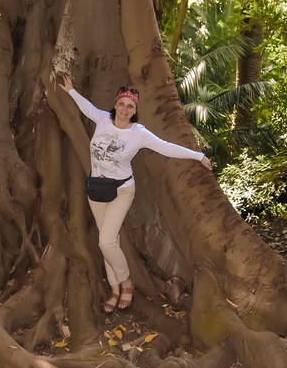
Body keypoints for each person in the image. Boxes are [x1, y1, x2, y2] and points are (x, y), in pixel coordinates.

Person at [57, 75, 212, 314]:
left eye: (130, 106)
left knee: (105, 241)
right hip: (97, 189)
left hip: (122, 190)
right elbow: (86, 107)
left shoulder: (138, 133)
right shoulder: (102, 119)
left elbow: (166, 147)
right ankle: (115, 290)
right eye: (122, 104)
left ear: (134, 110)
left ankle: (126, 281)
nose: (125, 109)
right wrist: (70, 91)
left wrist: (197, 156)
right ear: (116, 104)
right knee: (109, 242)